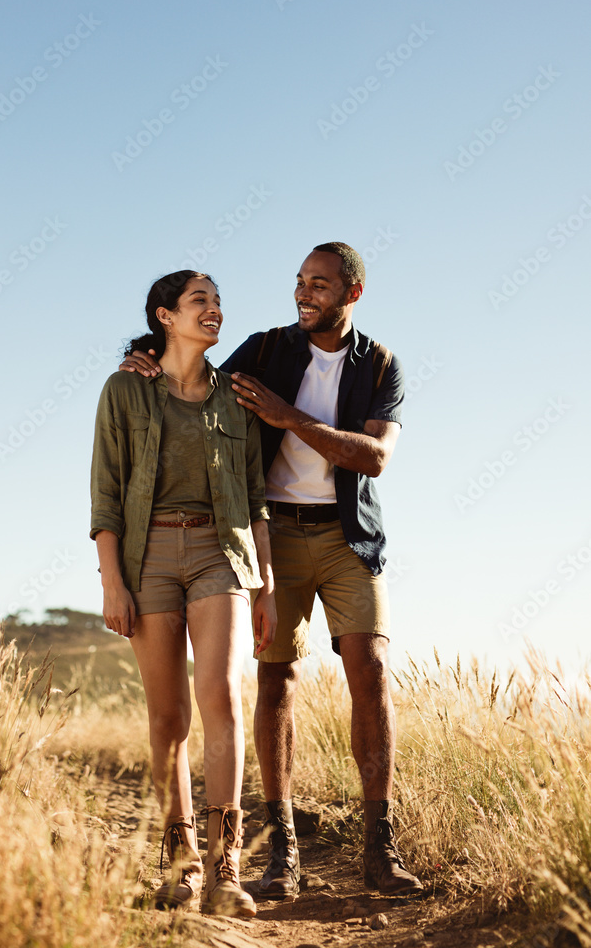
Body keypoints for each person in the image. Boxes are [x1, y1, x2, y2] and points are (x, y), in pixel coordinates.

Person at [120, 242, 423, 899]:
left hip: (350, 541)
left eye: (319, 284)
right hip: (272, 534)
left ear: (352, 293)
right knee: (276, 678)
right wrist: (145, 351)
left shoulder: (381, 365)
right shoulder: (264, 349)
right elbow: (193, 383)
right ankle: (282, 853)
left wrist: (290, 419)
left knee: (369, 669)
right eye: (300, 282)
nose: (304, 293)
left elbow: (373, 457)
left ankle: (381, 848)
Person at [91, 270, 277, 917]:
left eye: (220, 301)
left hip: (219, 553)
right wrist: (113, 580)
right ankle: (182, 864)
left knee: (221, 696)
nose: (216, 311)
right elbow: (105, 494)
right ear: (165, 316)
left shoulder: (236, 397)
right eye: (201, 301)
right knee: (168, 717)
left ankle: (228, 868)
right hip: (147, 558)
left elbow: (256, 497)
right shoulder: (124, 390)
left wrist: (266, 583)